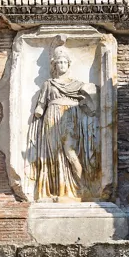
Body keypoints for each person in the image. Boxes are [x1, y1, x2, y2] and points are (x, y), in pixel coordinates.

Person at [27, 37, 99, 201]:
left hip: (70, 117)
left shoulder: (77, 84)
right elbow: (40, 107)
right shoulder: (48, 84)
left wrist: (88, 107)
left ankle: (81, 186)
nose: (61, 65)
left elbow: (89, 103)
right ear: (54, 66)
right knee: (53, 154)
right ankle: (59, 190)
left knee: (70, 151)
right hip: (51, 118)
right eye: (58, 62)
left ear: (68, 64)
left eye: (63, 62)